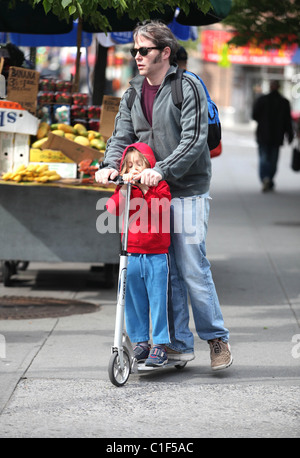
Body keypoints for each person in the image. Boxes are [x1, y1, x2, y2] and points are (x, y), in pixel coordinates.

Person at [95, 20, 232, 371]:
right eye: (134, 51)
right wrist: (110, 165)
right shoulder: (133, 92)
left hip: (185, 190)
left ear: (165, 53)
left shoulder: (188, 88)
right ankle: (178, 347)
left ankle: (216, 339)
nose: (137, 57)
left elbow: (194, 139)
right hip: (149, 195)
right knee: (162, 270)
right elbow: (120, 137)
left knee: (190, 267)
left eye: (144, 51)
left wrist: (163, 170)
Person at [106, 142, 172, 367]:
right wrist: (124, 188)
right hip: (131, 254)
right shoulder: (125, 190)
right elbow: (111, 210)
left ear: (150, 167)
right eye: (130, 165)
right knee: (132, 300)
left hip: (156, 254)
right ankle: (141, 342)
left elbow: (159, 210)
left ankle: (160, 344)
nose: (134, 169)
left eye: (139, 164)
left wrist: (145, 188)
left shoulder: (160, 187)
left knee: (158, 300)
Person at [252, 80, 294, 192]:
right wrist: (290, 135)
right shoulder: (284, 102)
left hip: (263, 134)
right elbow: (288, 122)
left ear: (270, 87)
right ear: (279, 87)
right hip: (277, 135)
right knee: (273, 160)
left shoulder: (262, 100)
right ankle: (269, 178)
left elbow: (254, 115)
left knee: (263, 158)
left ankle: (265, 178)